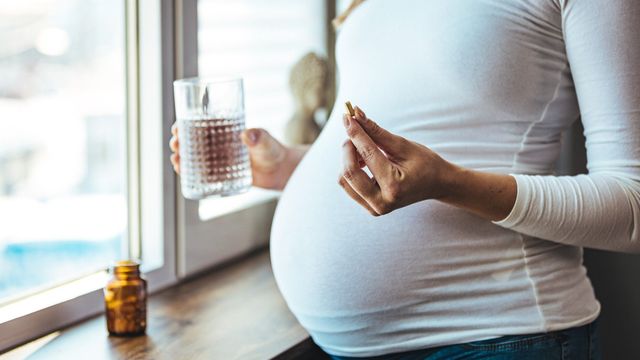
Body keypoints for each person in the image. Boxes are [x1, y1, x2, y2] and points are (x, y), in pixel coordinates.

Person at [170, 0, 640, 358]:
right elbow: (410, 137)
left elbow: (632, 206)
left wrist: (448, 183)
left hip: (494, 335)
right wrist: (290, 166)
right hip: (339, 346)